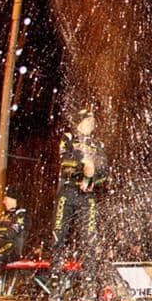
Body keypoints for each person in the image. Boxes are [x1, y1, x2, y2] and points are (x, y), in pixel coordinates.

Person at [49, 107, 107, 283]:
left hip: (87, 194)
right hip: (67, 191)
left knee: (89, 236)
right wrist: (82, 166)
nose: (92, 123)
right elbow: (63, 162)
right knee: (59, 233)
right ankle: (55, 275)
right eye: (88, 119)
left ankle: (89, 276)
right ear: (80, 121)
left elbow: (104, 172)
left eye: (93, 120)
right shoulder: (68, 138)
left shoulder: (98, 145)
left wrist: (90, 179)